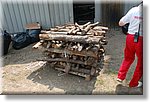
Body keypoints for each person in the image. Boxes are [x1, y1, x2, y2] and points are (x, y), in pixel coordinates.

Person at [117, 2, 143, 88]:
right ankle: (134, 83)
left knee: (128, 58)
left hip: (130, 37)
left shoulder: (133, 10)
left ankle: (120, 76)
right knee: (141, 62)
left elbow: (121, 23)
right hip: (142, 39)